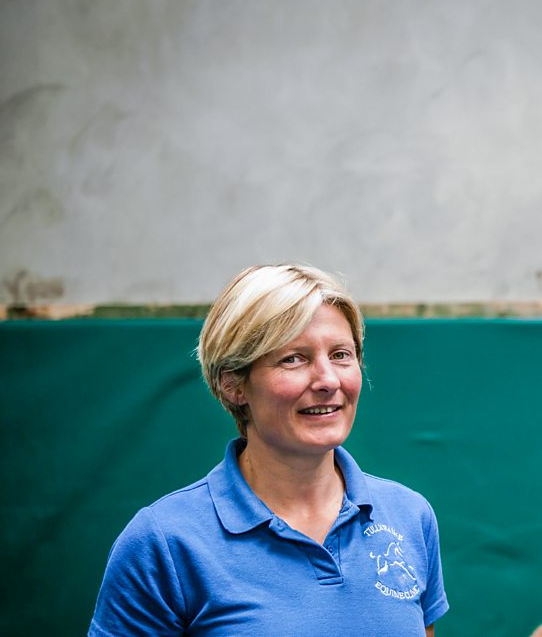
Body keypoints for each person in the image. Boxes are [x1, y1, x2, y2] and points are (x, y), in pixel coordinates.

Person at [89, 264, 448, 636]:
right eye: (293, 358)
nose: (327, 380)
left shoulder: (409, 516)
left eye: (341, 354)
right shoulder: (163, 543)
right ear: (233, 385)